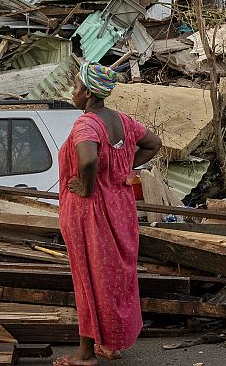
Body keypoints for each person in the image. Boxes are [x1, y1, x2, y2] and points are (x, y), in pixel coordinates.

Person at [54, 61, 163, 366]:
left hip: (92, 212)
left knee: (88, 278)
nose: (73, 92)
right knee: (114, 278)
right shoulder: (124, 122)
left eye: (76, 87)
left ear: (88, 92)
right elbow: (153, 143)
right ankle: (110, 344)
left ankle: (86, 354)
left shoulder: (86, 124)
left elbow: (87, 160)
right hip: (121, 209)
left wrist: (88, 187)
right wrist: (123, 167)